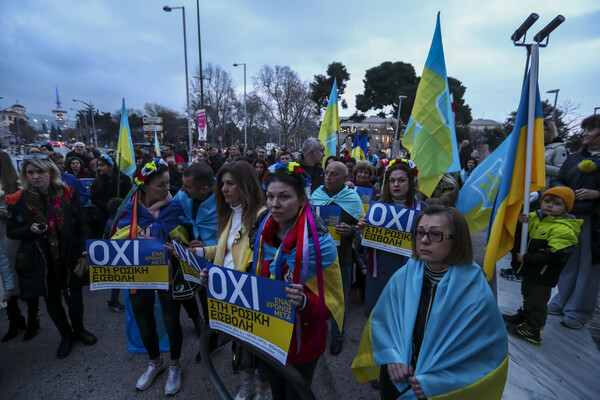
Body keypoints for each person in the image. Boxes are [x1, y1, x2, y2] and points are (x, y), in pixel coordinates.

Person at [351, 205, 508, 399]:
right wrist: (393, 357)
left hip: (440, 392)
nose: (424, 240)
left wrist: (438, 383)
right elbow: (383, 323)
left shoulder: (476, 291)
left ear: (456, 240)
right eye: (420, 233)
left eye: (436, 234)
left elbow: (483, 357)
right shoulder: (403, 276)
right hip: (396, 378)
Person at [233, 162, 342, 400]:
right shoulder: (260, 234)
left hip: (301, 342)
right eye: (270, 196)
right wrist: (215, 280)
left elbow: (332, 303)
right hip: (267, 336)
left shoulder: (321, 245)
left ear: (302, 199)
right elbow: (248, 276)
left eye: (284, 197)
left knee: (296, 395)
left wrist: (304, 301)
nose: (274, 204)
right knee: (278, 392)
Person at [190, 161, 270, 400]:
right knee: (240, 345)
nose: (223, 189)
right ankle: (249, 383)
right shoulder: (228, 213)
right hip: (227, 291)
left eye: (230, 184)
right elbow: (226, 250)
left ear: (245, 185)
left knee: (260, 347)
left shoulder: (261, 216)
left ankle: (264, 391)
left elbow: (259, 257)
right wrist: (202, 254)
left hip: (249, 292)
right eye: (222, 183)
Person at [6, 156, 96, 359]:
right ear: (25, 175)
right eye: (30, 173)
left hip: (69, 255)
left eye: (40, 172)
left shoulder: (67, 193)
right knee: (52, 301)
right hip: (41, 261)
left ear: (51, 173)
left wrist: (84, 254)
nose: (35, 177)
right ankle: (65, 336)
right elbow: (12, 231)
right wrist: (29, 229)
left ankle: (79, 329)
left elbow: (81, 225)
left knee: (74, 299)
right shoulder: (19, 199)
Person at [111, 159, 186, 394]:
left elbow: (185, 234)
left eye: (168, 183)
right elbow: (116, 238)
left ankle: (174, 365)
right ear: (144, 186)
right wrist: (94, 255)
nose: (167, 189)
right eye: (161, 185)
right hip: (138, 275)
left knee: (171, 320)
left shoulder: (174, 207)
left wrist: (178, 244)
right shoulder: (130, 209)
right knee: (143, 319)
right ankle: (155, 362)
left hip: (168, 275)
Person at [503, 187, 582, 344]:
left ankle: (533, 329)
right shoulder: (534, 217)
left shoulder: (564, 228)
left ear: (566, 208)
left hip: (543, 273)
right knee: (527, 294)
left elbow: (556, 254)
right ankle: (525, 316)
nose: (550, 205)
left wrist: (528, 258)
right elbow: (519, 234)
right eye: (547, 201)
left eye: (557, 203)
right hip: (529, 269)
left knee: (537, 301)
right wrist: (519, 223)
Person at [547, 114, 600, 330]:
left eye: (591, 129)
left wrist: (596, 194)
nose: (585, 133)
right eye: (584, 128)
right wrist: (565, 193)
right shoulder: (574, 157)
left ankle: (578, 311)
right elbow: (560, 178)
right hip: (571, 216)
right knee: (567, 260)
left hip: (595, 222)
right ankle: (561, 300)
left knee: (589, 266)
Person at [356, 159, 426, 317]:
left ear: (411, 182)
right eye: (392, 180)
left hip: (410, 274)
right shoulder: (376, 208)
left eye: (401, 180)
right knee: (376, 320)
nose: (396, 184)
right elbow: (364, 247)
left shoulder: (424, 210)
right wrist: (361, 233)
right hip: (379, 273)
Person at [311, 161, 364, 356]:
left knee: (340, 299)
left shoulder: (352, 198)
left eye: (334, 174)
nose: (328, 177)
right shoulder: (315, 196)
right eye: (326, 173)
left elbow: (363, 227)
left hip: (342, 259)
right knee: (316, 296)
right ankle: (317, 332)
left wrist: (350, 230)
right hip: (316, 257)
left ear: (344, 179)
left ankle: (338, 336)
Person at [0, 151, 35, 342]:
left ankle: (33, 319)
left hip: (15, 239)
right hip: (1, 241)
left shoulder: (19, 187)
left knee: (24, 281)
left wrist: (9, 215)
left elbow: (30, 214)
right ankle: (14, 320)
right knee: (5, 284)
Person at [543, 119, 568, 187]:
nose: (539, 132)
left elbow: (561, 171)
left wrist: (540, 168)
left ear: (550, 131)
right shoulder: (534, 147)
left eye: (543, 130)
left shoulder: (559, 148)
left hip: (546, 188)